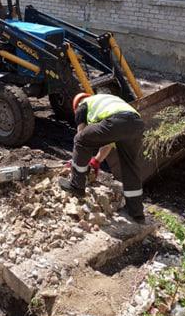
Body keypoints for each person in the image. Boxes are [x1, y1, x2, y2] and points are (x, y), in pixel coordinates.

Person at [59, 92, 146, 223]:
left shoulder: (82, 105)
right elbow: (109, 141)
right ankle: (137, 213)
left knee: (80, 140)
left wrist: (77, 161)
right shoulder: (106, 101)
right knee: (129, 166)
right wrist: (96, 160)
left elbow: (82, 136)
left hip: (118, 120)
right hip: (136, 123)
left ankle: (77, 185)